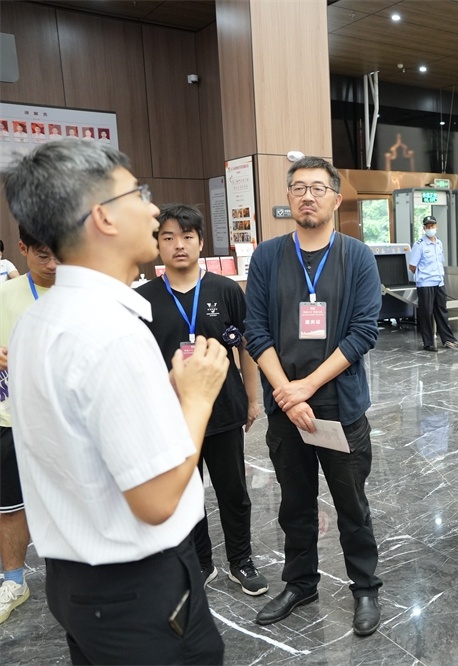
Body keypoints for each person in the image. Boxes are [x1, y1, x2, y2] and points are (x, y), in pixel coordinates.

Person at [2, 138, 228, 663]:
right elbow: (155, 501)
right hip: (139, 594)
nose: (153, 209)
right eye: (139, 194)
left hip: (77, 585)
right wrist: (195, 399)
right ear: (102, 216)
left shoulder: (40, 318)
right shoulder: (110, 333)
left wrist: (166, 394)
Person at [244, 156, 383, 635]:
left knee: (352, 505)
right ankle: (300, 583)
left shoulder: (356, 255)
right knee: (295, 505)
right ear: (288, 198)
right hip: (287, 410)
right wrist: (287, 392)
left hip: (338, 409)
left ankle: (365, 587)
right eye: (299, 187)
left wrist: (306, 386)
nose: (308, 195)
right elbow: (255, 330)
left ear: (336, 198)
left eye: (318, 188)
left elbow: (364, 331)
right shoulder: (267, 256)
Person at [136, 204, 267, 595]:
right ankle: (201, 561)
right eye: (169, 237)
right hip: (171, 416)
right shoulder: (143, 299)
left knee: (234, 493)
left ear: (201, 242)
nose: (179, 245)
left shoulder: (225, 290)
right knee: (185, 496)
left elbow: (246, 347)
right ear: (157, 244)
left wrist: (252, 398)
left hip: (224, 409)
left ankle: (240, 561)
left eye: (187, 237)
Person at [0, 226, 58, 624]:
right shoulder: (4, 295)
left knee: (68, 504)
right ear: (22, 249)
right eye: (42, 256)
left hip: (66, 423)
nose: (53, 265)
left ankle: (75, 580)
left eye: (60, 254)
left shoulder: (82, 296)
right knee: (10, 506)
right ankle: (15, 580)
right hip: (11, 419)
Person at [408, 216, 458, 352]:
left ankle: (449, 340)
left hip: (439, 281)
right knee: (426, 313)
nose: (431, 228)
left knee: (442, 311)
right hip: (425, 283)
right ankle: (428, 343)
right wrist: (423, 275)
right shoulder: (419, 244)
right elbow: (412, 266)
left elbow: (440, 262)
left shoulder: (439, 243)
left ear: (436, 226)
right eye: (428, 226)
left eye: (433, 226)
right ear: (424, 228)